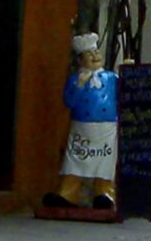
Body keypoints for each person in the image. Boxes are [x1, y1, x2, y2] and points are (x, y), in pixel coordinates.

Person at [42, 32, 118, 211]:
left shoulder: (110, 78)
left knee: (105, 165)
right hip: (81, 128)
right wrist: (79, 85)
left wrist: (131, 73)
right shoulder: (75, 80)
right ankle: (68, 194)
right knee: (74, 162)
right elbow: (69, 101)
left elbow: (125, 92)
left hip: (106, 128)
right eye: (89, 54)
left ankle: (105, 194)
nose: (95, 56)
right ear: (80, 60)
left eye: (96, 52)